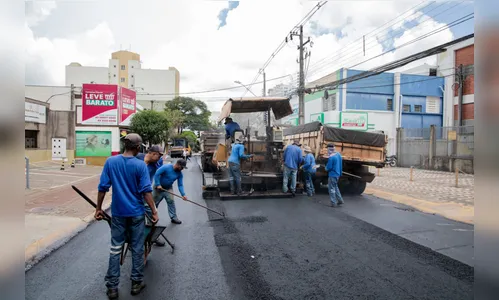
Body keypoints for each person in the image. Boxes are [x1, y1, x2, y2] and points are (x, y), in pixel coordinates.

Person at [95, 133, 159, 299]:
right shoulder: (140, 166)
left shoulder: (111, 161)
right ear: (138, 147)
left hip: (118, 213)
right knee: (137, 248)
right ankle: (136, 284)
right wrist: (154, 211)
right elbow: (146, 191)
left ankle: (112, 288)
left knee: (115, 248)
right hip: (136, 213)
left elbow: (103, 188)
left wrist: (98, 209)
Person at [136, 145, 167, 247]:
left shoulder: (157, 163)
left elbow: (160, 172)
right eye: (159, 155)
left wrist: (159, 185)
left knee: (151, 211)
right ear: (153, 154)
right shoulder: (137, 157)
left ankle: (152, 236)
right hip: (133, 191)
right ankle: (134, 237)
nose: (160, 158)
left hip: (145, 192)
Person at [153, 159, 188, 224]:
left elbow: (180, 185)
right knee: (154, 203)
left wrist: (183, 195)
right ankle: (152, 217)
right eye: (182, 167)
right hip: (158, 188)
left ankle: (173, 217)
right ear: (178, 165)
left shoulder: (179, 174)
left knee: (171, 201)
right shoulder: (166, 167)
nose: (182, 169)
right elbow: (157, 174)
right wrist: (158, 184)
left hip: (168, 188)